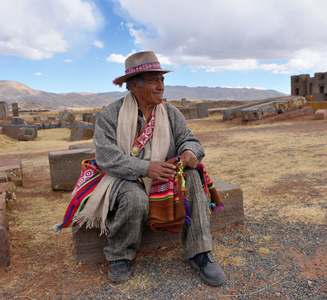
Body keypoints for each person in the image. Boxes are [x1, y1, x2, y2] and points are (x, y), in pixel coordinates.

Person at [78, 51, 226, 286]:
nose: (161, 87)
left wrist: (189, 152)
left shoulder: (170, 113)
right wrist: (145, 168)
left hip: (162, 178)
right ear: (135, 86)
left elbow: (190, 140)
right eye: (154, 81)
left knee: (193, 177)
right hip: (124, 178)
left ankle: (201, 252)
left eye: (162, 80)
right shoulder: (111, 115)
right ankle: (120, 255)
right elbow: (106, 157)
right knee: (135, 199)